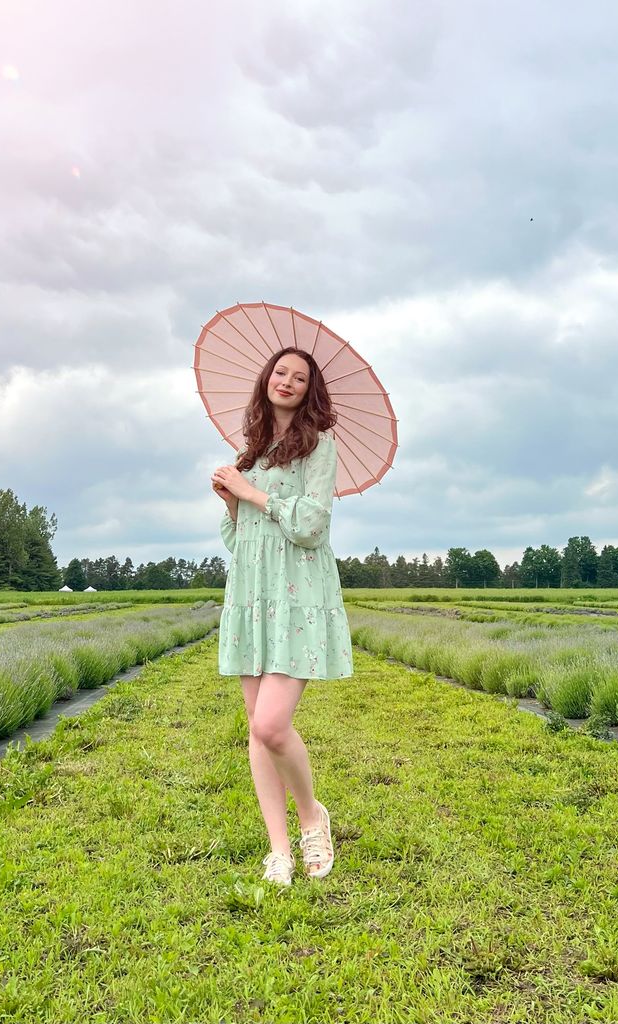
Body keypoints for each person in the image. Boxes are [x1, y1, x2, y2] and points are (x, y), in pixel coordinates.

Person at [211, 346, 353, 889]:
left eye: (299, 377)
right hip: (252, 595)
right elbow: (238, 541)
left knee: (272, 725)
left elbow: (313, 524)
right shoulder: (250, 453)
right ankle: (279, 850)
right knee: (256, 729)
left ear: (309, 389)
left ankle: (313, 817)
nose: (287, 381)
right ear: (265, 381)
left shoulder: (319, 448)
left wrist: (251, 492)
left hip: (297, 599)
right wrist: (231, 503)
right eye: (280, 372)